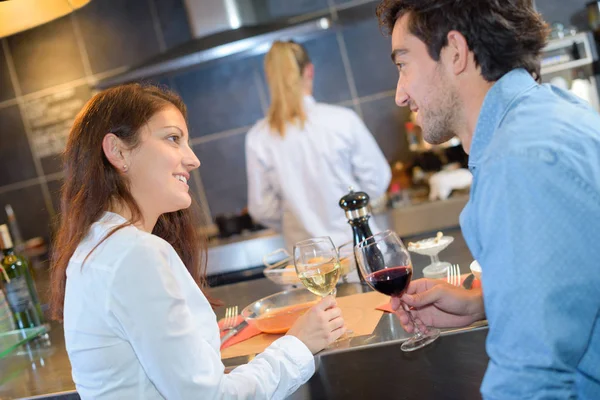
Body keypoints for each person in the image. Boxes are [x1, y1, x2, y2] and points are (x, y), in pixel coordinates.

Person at [49, 84, 346, 399]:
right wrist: (298, 345)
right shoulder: (135, 254)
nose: (192, 160)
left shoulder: (97, 246)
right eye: (173, 139)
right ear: (119, 152)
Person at [376, 0, 600, 398]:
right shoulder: (547, 113)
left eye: (403, 64)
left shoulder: (518, 160)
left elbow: (530, 381)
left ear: (456, 53)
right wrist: (485, 303)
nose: (400, 94)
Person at [246, 41, 391, 252]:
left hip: (309, 265)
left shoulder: (258, 138)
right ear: (309, 71)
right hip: (358, 251)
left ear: (270, 78)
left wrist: (297, 216)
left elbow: (262, 210)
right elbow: (377, 181)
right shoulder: (342, 121)